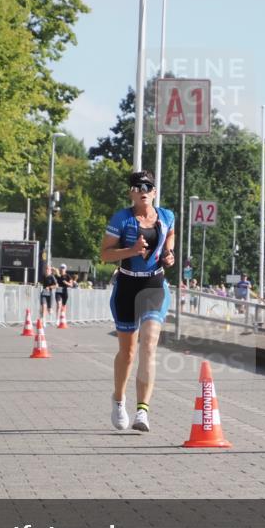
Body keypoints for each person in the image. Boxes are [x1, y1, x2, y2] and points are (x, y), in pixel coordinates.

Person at [99, 170, 176, 432]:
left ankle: (142, 411)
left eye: (148, 185)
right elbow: (105, 254)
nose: (143, 189)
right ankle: (119, 400)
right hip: (127, 285)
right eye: (137, 186)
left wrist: (169, 253)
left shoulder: (166, 216)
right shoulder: (122, 219)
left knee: (149, 345)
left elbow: (170, 236)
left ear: (154, 191)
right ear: (131, 192)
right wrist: (131, 251)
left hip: (153, 285)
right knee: (129, 352)